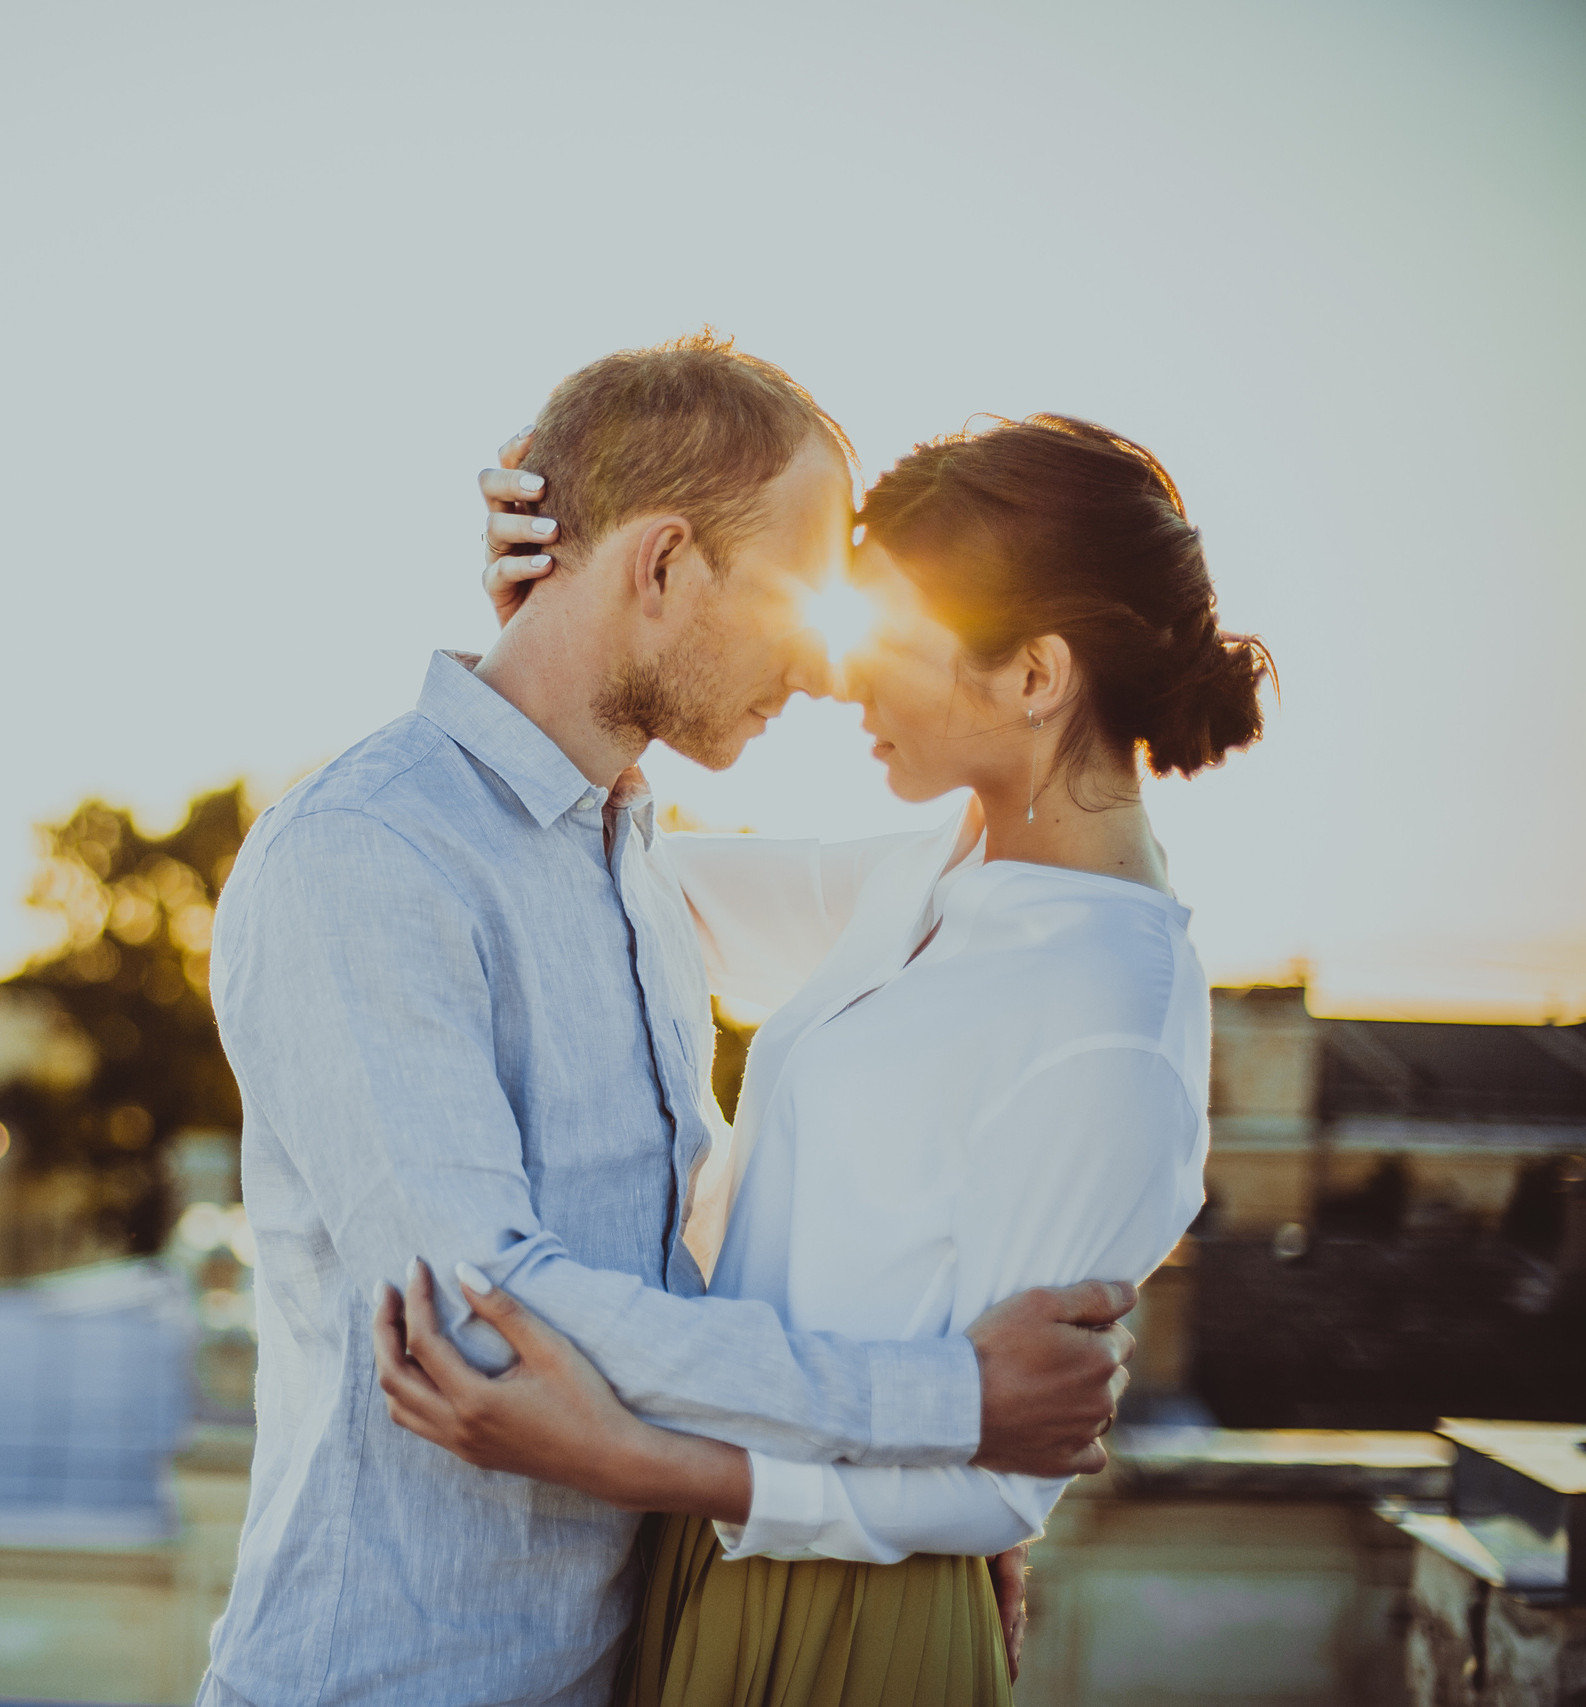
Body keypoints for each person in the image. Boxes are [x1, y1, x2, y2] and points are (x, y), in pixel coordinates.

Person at [199, 333, 1142, 1707]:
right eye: (796, 602)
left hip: (621, 1666)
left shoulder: (632, 857)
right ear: (659, 566)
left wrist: (927, 1505)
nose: (824, 672)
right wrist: (945, 1402)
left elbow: (672, 1256)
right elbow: (484, 1320)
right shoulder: (366, 858)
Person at [371, 409, 1272, 1704]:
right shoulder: (944, 870)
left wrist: (628, 1461)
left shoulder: (1109, 1029)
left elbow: (1001, 1478)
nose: (847, 677)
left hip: (853, 1616)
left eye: (895, 640)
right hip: (715, 1552)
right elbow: (640, 893)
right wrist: (566, 631)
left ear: (1034, 675)